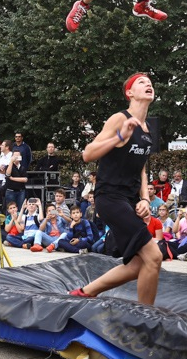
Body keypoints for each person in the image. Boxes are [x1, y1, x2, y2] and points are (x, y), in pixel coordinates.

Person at [68, 73, 163, 304]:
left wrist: (144, 199)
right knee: (154, 256)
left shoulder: (148, 129)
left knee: (139, 263)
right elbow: (88, 154)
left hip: (129, 201)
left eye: (150, 82)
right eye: (141, 82)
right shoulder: (119, 119)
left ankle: (86, 291)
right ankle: (146, 316)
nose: (148, 84)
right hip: (110, 198)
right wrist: (120, 136)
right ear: (130, 93)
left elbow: (141, 169)